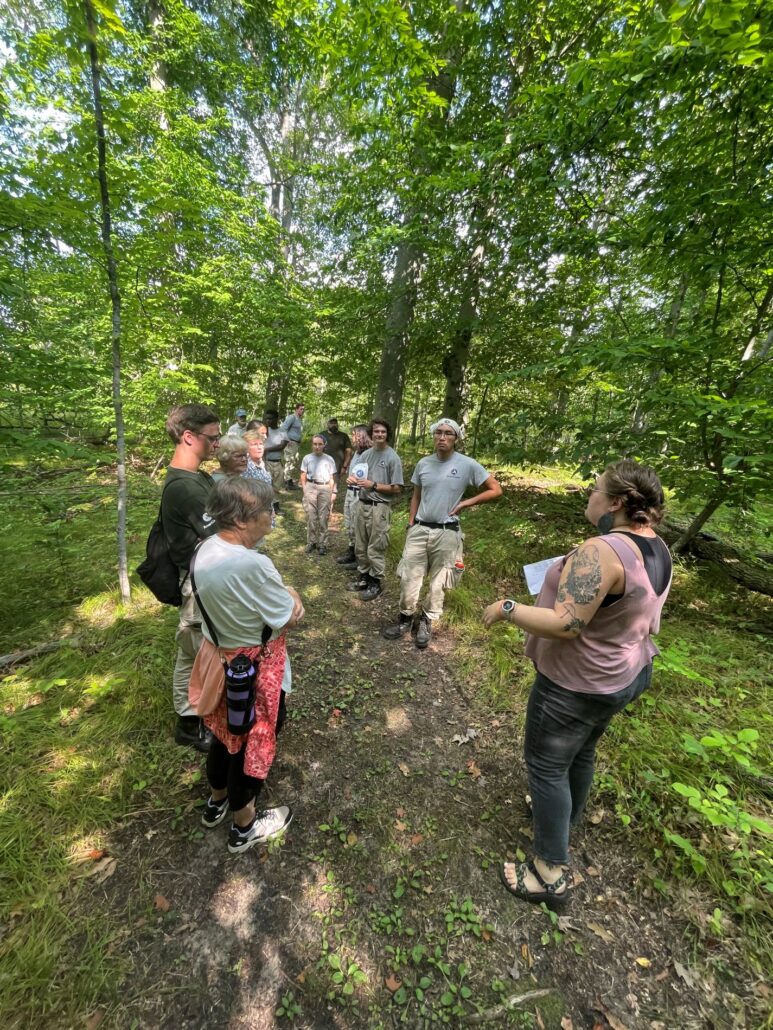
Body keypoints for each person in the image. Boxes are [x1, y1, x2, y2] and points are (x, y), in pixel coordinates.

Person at [482, 459, 672, 910]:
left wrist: (507, 608)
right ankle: (567, 819)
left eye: (596, 490)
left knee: (546, 766)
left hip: (577, 684)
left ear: (618, 503)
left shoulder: (602, 551)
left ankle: (549, 874)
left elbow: (566, 625)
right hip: (624, 673)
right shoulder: (656, 545)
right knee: (581, 752)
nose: (589, 495)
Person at [188, 478, 304, 854]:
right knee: (253, 738)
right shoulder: (253, 564)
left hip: (218, 659)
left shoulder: (205, 549)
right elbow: (288, 615)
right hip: (254, 666)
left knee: (224, 732)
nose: (272, 516)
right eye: (267, 510)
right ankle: (244, 824)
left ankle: (217, 799)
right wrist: (293, 592)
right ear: (241, 518)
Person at [383, 417, 502, 649]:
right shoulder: (424, 464)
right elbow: (416, 495)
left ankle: (426, 620)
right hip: (420, 529)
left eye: (448, 433)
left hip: (447, 533)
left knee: (439, 581)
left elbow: (496, 489)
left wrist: (467, 503)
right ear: (433, 436)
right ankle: (405, 618)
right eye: (438, 433)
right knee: (409, 576)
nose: (442, 437)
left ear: (456, 438)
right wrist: (411, 524)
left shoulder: (467, 464)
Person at [160, 403, 221, 752]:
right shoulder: (185, 487)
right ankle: (192, 721)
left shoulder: (198, 477)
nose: (216, 445)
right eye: (211, 438)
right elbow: (223, 533)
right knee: (201, 650)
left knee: (194, 652)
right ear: (188, 436)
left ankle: (191, 716)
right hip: (199, 582)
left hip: (204, 575)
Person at [345, 418, 403, 601]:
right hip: (362, 503)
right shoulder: (366, 455)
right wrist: (352, 480)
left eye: (383, 432)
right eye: (376, 431)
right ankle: (363, 577)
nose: (379, 434)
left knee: (375, 547)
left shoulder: (392, 457)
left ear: (387, 435)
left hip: (380, 507)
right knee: (360, 545)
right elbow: (358, 476)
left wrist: (374, 485)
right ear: (371, 434)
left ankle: (375, 582)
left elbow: (397, 488)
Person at [337, 423, 371, 568]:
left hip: (361, 494)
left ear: (362, 435)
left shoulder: (369, 454)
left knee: (358, 525)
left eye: (355, 435)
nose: (353, 438)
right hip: (351, 491)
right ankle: (352, 550)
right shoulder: (356, 452)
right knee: (349, 522)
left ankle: (360, 557)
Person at [300, 435, 337, 555]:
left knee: (323, 517)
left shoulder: (329, 459)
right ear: (312, 445)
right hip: (311, 485)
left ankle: (322, 544)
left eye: (320, 444)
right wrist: (305, 489)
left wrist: (332, 492)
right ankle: (311, 542)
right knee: (311, 516)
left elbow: (332, 477)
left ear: (324, 445)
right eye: (315, 444)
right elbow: (303, 474)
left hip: (325, 487)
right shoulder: (307, 458)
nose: (317, 447)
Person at [321, 417, 352, 492]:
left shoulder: (344, 436)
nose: (334, 425)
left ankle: (331, 503)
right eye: (331, 423)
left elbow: (349, 451)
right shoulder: (321, 435)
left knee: (333, 490)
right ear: (327, 424)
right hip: (322, 467)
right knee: (322, 488)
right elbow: (316, 450)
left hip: (337, 467)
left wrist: (344, 466)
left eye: (335, 423)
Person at [263, 410, 289, 495]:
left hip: (278, 463)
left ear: (276, 419)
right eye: (267, 419)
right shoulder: (264, 431)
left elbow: (281, 446)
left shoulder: (282, 431)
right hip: (266, 462)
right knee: (266, 486)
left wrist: (266, 449)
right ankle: (268, 506)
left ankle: (275, 505)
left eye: (271, 419)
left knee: (276, 488)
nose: (268, 421)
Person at [281, 403, 305, 488]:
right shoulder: (292, 417)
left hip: (296, 444)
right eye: (301, 409)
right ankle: (287, 482)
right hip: (290, 444)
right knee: (289, 461)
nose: (302, 410)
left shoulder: (299, 419)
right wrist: (287, 440)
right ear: (296, 409)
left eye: (303, 409)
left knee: (293, 462)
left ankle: (288, 479)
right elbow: (283, 428)